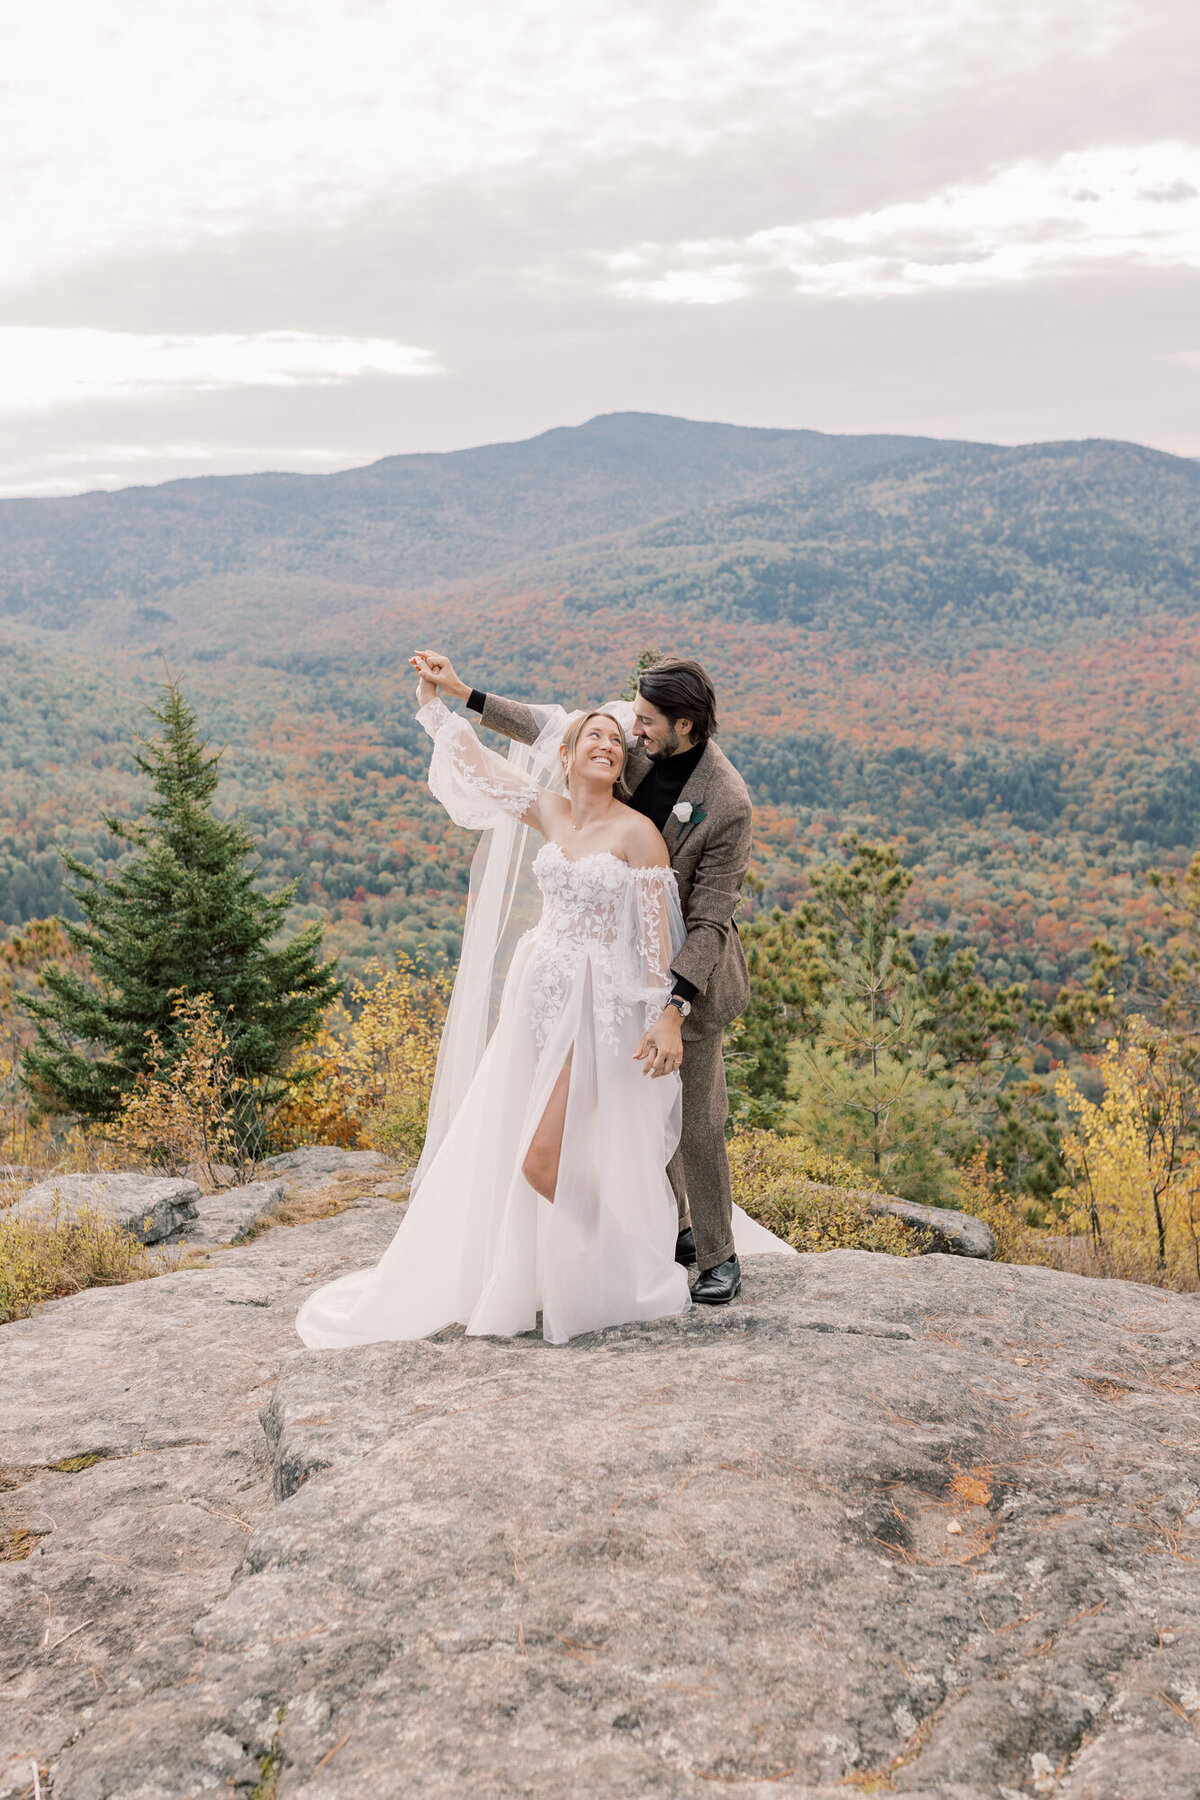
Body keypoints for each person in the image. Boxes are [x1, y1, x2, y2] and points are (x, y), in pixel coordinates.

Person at [410, 651, 762, 1305]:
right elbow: (554, 730)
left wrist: (673, 1006)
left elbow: (709, 921)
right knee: (633, 1116)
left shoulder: (727, 802)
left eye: (647, 722)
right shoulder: (625, 739)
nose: (632, 730)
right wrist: (463, 696)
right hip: (586, 966)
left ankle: (716, 1253)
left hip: (687, 971)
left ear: (685, 727)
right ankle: (671, 1226)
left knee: (695, 1121)